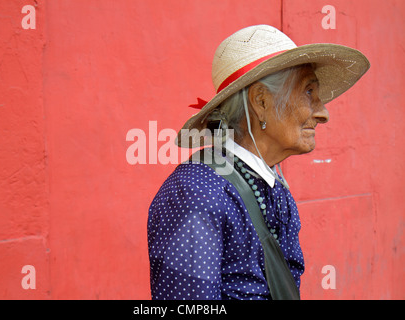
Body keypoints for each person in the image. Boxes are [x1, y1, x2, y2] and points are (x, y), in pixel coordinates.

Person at [147, 25, 369, 300]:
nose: (323, 113)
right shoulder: (196, 194)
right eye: (309, 92)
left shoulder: (272, 186)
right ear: (261, 101)